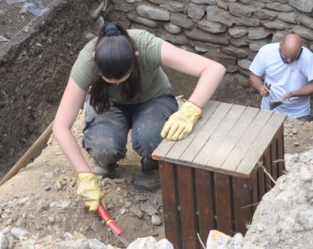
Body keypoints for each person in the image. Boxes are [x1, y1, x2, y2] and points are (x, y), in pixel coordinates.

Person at [53, 23, 225, 211]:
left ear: (136, 56)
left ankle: (152, 167)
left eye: (123, 78)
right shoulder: (87, 60)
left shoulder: (146, 45)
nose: (119, 84)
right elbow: (61, 126)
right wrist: (84, 173)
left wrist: (191, 109)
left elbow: (214, 69)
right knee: (103, 146)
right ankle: (105, 162)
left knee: (152, 138)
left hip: (152, 99)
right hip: (108, 103)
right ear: (95, 60)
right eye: (112, 81)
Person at [248, 33, 313, 120]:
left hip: (298, 114)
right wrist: (260, 87)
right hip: (269, 111)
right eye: (285, 56)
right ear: (280, 45)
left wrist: (293, 94)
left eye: (293, 58)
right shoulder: (266, 51)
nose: (289, 61)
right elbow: (254, 76)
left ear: (300, 50)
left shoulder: (307, 58)